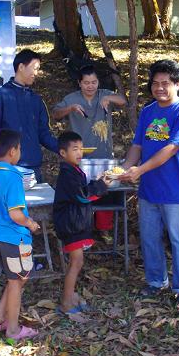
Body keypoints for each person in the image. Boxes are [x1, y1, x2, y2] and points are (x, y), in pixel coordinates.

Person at [118, 60, 179, 304]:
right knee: (149, 238)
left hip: (177, 190)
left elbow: (172, 148)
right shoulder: (148, 111)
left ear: (178, 84)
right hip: (149, 189)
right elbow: (137, 145)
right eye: (155, 83)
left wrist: (139, 170)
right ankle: (156, 281)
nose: (160, 88)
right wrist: (123, 168)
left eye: (165, 83)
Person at [0, 129, 41, 340]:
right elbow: (16, 214)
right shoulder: (13, 177)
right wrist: (31, 223)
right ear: (12, 151)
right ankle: (12, 329)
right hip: (15, 237)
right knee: (17, 281)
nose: (20, 152)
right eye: (19, 148)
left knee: (17, 278)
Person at [53, 131, 110, 314]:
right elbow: (82, 196)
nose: (80, 153)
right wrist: (101, 185)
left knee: (77, 261)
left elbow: (84, 191)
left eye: (81, 149)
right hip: (71, 224)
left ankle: (71, 296)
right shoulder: (67, 174)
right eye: (75, 149)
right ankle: (66, 303)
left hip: (76, 222)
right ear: (63, 153)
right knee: (75, 262)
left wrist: (99, 183)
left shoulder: (74, 170)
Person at [0, 49, 58, 183]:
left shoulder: (36, 100)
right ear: (21, 67)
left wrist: (64, 148)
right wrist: (3, 163)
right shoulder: (0, 96)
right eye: (34, 68)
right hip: (9, 169)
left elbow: (44, 134)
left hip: (34, 169)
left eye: (38, 69)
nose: (36, 73)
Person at [53, 65, 126, 160]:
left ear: (98, 82)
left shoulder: (104, 94)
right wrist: (70, 108)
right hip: (78, 157)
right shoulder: (71, 99)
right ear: (79, 83)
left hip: (105, 155)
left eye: (94, 82)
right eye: (86, 83)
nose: (90, 86)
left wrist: (108, 98)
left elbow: (123, 101)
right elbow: (56, 115)